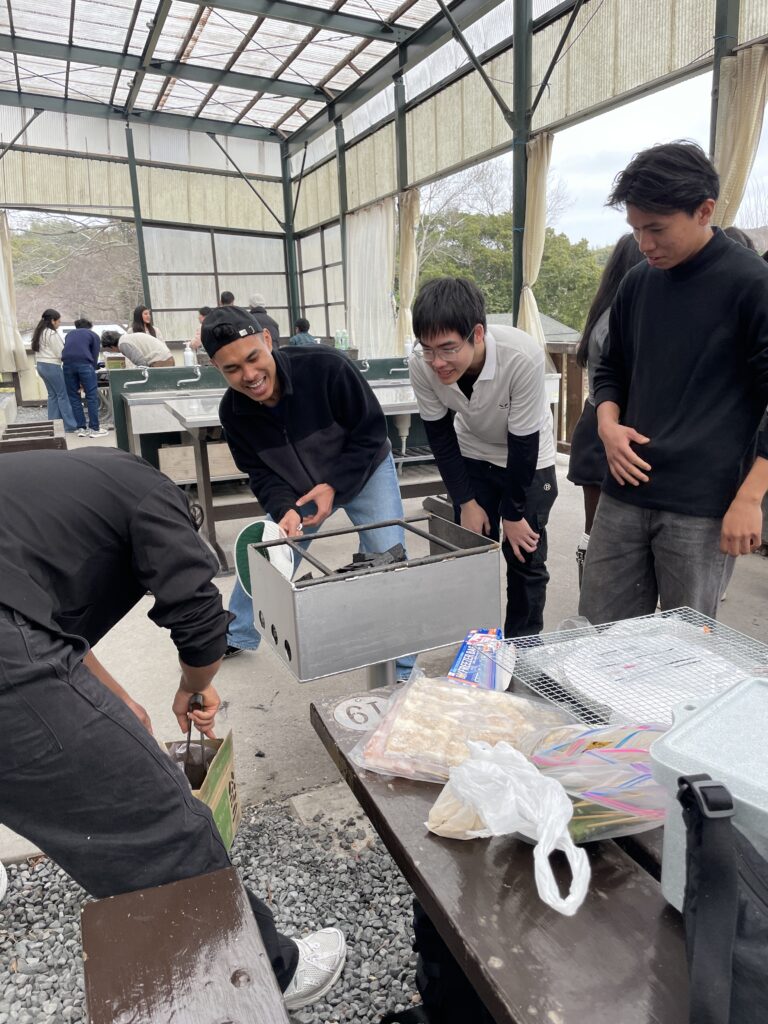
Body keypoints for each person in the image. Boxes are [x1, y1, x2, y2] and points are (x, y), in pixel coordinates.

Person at [0, 447, 346, 1012]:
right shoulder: (154, 496)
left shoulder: (61, 492)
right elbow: (202, 622)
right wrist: (194, 685)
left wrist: (119, 702)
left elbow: (46, 622)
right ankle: (269, 973)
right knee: (157, 828)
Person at [580, 141, 768, 625]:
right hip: (623, 490)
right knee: (598, 634)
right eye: (635, 229)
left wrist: (750, 498)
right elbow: (610, 368)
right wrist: (607, 425)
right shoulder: (638, 283)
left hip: (702, 505)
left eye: (657, 229)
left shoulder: (752, 284)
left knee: (686, 647)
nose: (644, 244)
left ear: (704, 211)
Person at [200, 305, 414, 674]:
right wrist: (284, 508)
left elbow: (371, 431)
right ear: (216, 367)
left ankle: (403, 668)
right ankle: (237, 632)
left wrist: (334, 485)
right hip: (300, 491)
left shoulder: (326, 366)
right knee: (269, 553)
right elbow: (259, 472)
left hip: (363, 470)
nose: (249, 375)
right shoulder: (233, 413)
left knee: (389, 555)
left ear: (267, 341)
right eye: (232, 369)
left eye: (253, 358)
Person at [409, 277, 557, 638]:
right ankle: (480, 647)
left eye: (447, 349)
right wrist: (465, 501)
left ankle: (523, 647)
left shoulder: (521, 356)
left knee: (524, 556)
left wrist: (514, 514)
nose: (437, 362)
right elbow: (440, 437)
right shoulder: (420, 363)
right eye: (427, 349)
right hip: (473, 450)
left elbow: (523, 444)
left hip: (529, 458)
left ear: (476, 334)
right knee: (471, 553)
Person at [567, 235, 644, 583]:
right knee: (604, 534)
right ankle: (594, 598)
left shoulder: (603, 313)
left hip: (594, 426)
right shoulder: (621, 319)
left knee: (595, 528)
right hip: (610, 431)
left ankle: (592, 593)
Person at [30, 308, 78, 433]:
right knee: (62, 395)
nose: (59, 324)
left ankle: (53, 425)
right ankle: (70, 426)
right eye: (59, 321)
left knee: (52, 395)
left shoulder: (40, 332)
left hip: (41, 365)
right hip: (52, 366)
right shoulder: (51, 334)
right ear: (52, 320)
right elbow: (61, 353)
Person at [61, 317, 108, 438]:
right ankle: (94, 429)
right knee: (91, 396)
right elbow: (94, 355)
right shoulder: (93, 335)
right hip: (85, 365)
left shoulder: (69, 335)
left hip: (67, 366)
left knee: (74, 397)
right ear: (90, 327)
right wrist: (92, 371)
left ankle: (81, 428)